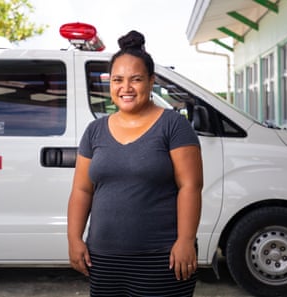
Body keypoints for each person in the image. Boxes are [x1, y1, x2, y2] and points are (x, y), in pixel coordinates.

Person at [67, 30, 203, 297]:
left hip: (162, 258)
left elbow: (190, 186)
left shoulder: (174, 125)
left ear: (151, 81)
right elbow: (82, 190)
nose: (125, 88)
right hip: (104, 259)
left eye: (136, 79)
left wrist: (186, 241)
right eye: (117, 80)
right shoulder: (94, 131)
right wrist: (74, 239)